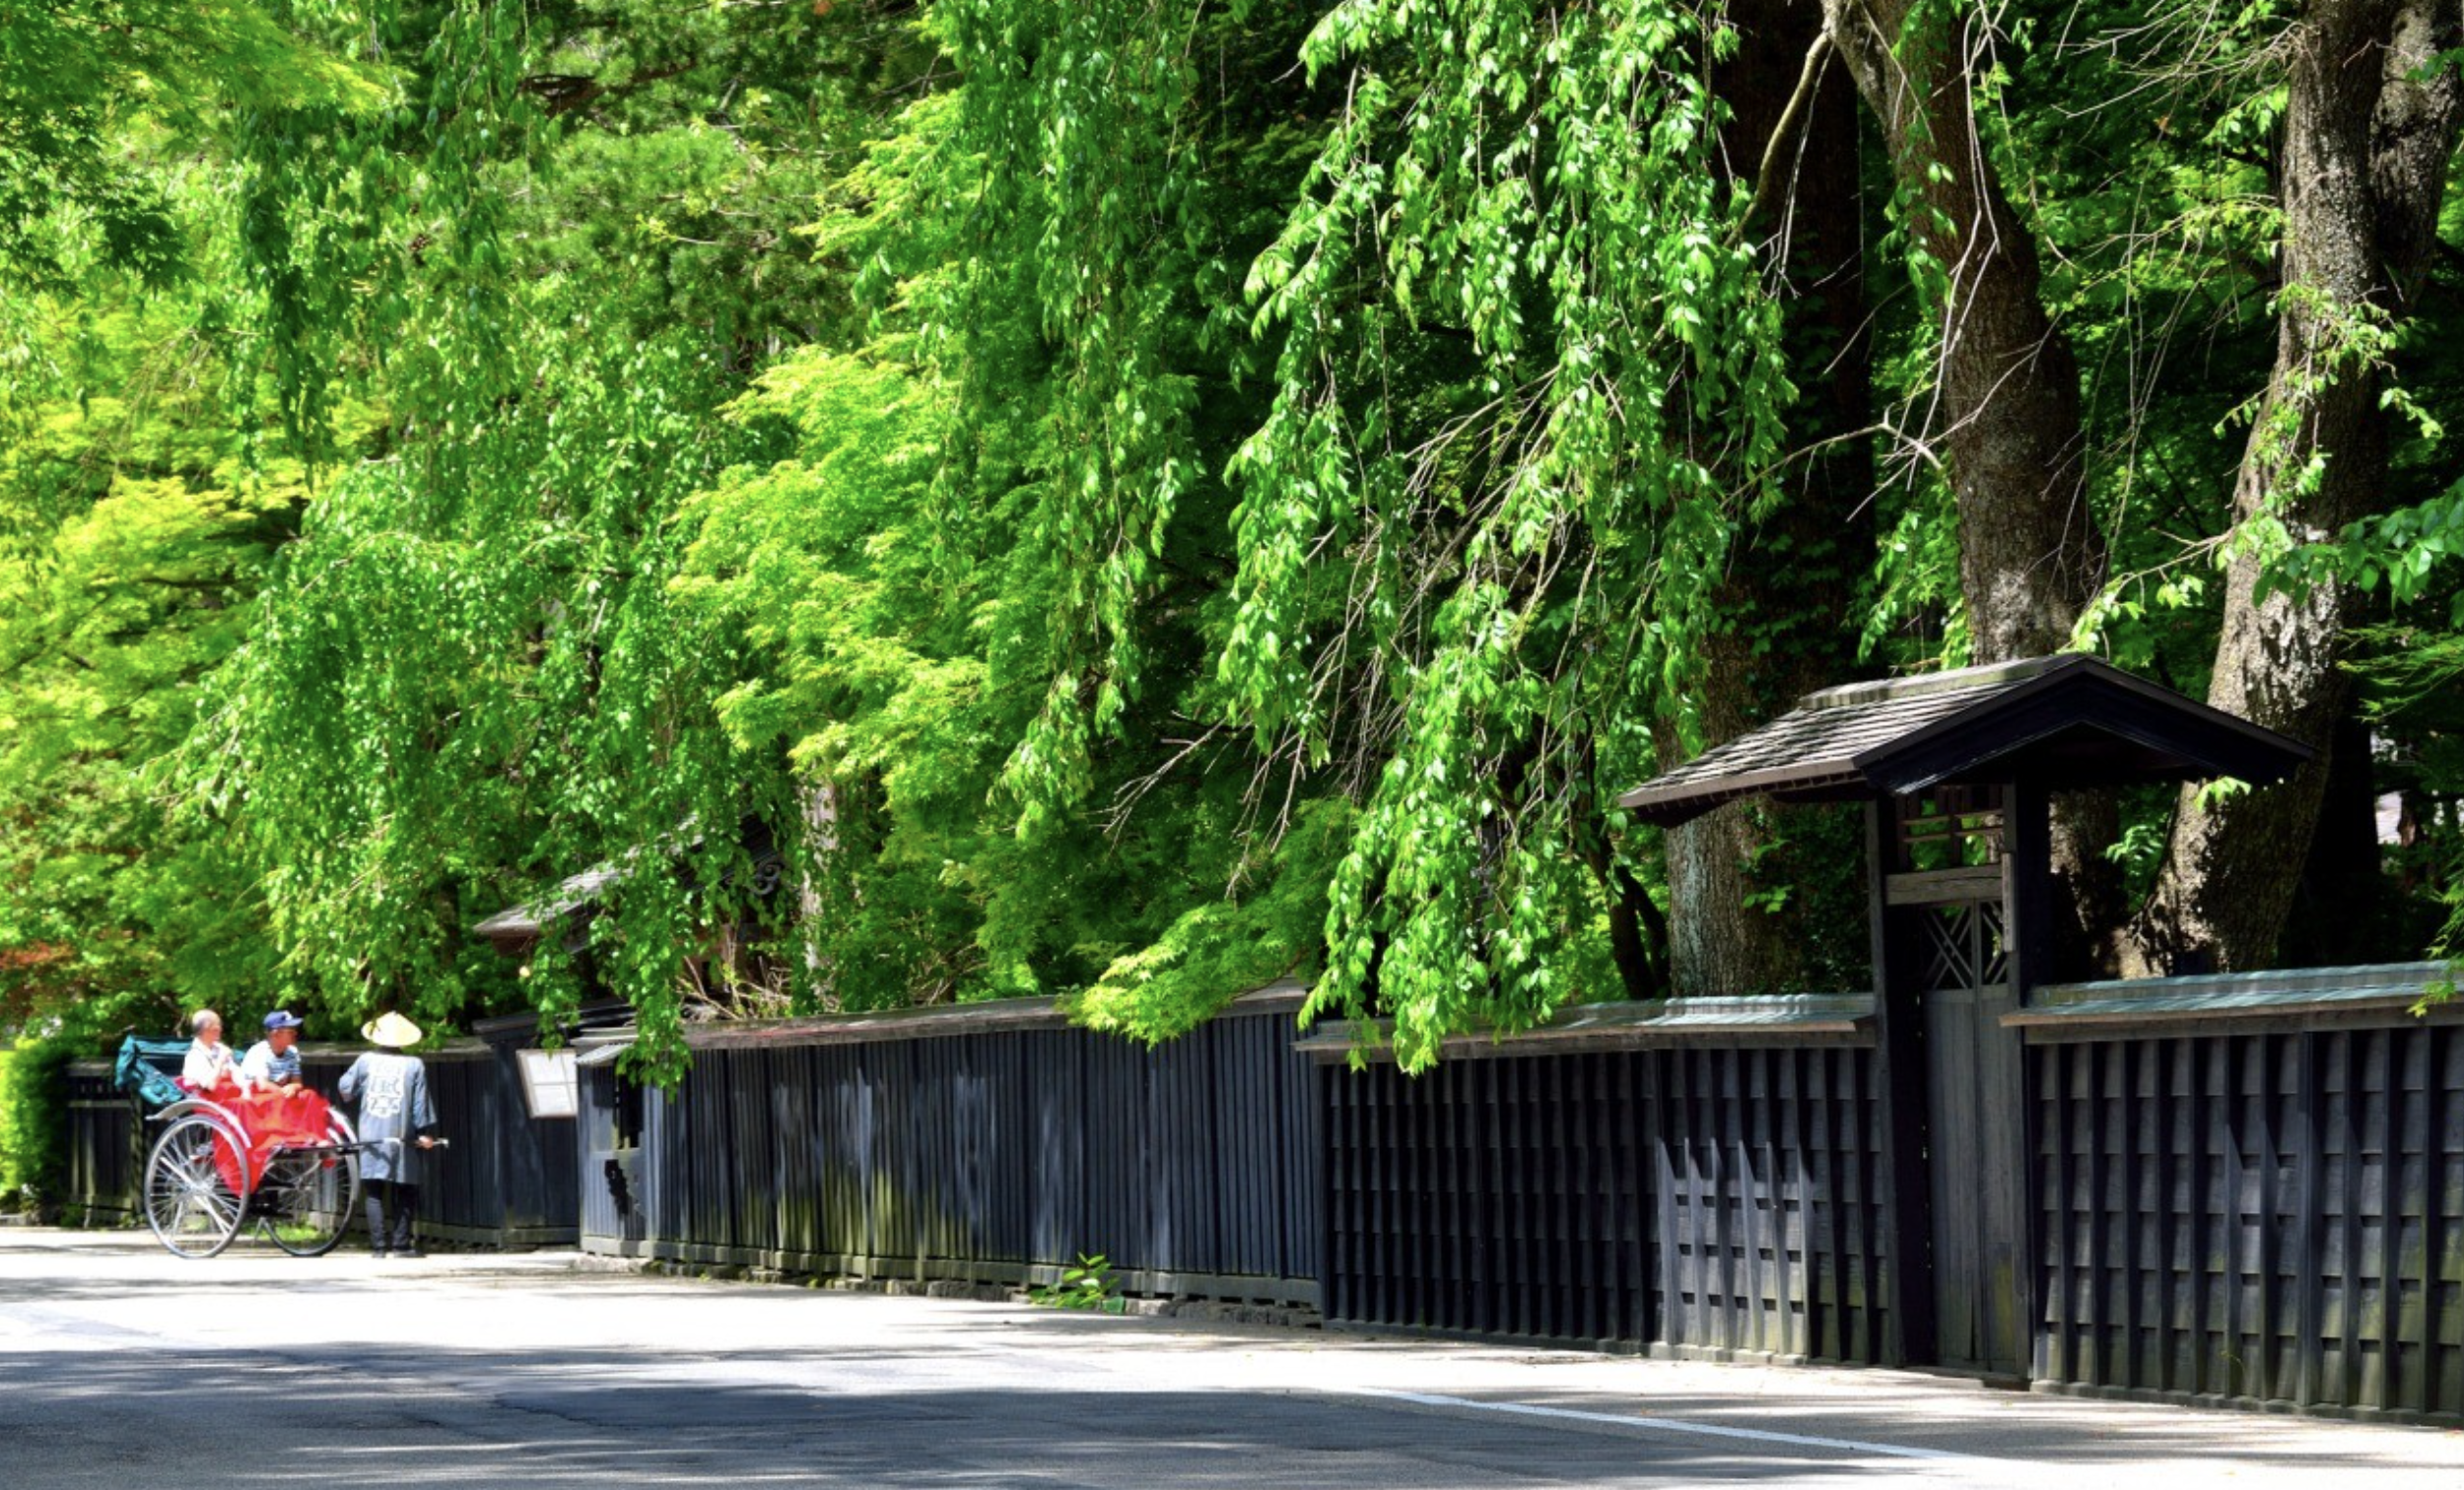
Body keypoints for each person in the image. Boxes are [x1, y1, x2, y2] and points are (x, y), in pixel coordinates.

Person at [338, 1011, 441, 1258]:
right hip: (402, 1132)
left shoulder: (365, 1061)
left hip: (372, 1132)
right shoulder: (414, 1064)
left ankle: (378, 1248)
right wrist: (424, 1133)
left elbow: (345, 1089)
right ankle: (401, 1245)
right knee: (404, 1187)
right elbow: (419, 1105)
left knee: (373, 1190)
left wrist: (363, 1088)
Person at [240, 1010, 307, 1096]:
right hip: (255, 1097)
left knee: (307, 1095)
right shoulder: (259, 1052)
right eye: (291, 1031)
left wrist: (293, 1087)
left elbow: (297, 1082)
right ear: (276, 1034)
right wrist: (285, 1093)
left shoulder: (293, 1052)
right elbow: (263, 1086)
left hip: (278, 1094)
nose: (295, 1033)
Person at [180, 1009, 242, 1091]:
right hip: (206, 1097)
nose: (220, 1028)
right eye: (216, 1025)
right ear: (205, 1028)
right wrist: (221, 1060)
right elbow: (211, 1086)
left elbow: (236, 1072)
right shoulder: (194, 1056)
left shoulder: (219, 1048)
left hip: (229, 1091)